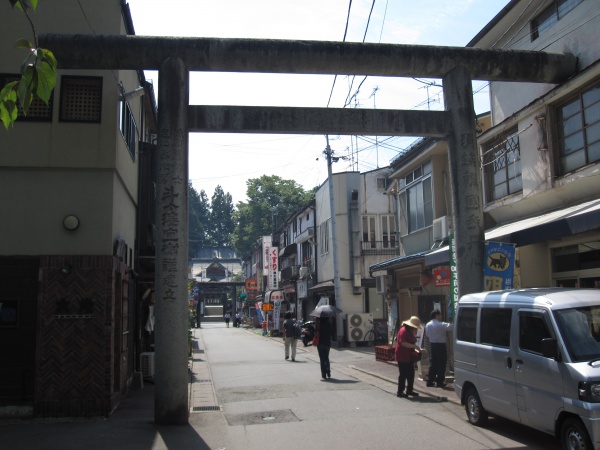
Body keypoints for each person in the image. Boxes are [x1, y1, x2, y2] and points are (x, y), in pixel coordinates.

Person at [425, 309, 453, 388]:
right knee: (441, 364)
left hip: (433, 345)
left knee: (433, 363)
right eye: (440, 315)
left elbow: (427, 335)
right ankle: (439, 381)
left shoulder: (428, 325)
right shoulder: (441, 325)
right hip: (441, 346)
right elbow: (451, 327)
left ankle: (429, 380)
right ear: (437, 315)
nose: (441, 316)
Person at [395, 315, 422, 398]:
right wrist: (415, 347)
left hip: (409, 355)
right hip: (402, 355)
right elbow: (403, 343)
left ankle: (410, 390)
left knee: (411, 373)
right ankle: (400, 391)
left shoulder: (410, 331)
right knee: (403, 374)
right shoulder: (403, 330)